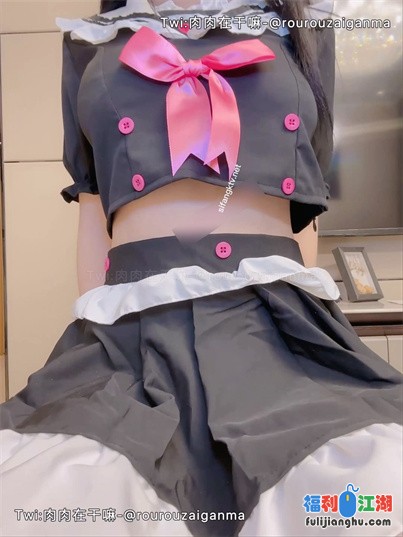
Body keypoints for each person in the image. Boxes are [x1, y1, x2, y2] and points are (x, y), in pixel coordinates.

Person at [1, 0, 402, 536]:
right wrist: (94, 337)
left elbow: (305, 210)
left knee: (362, 487)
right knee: (60, 492)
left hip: (278, 321)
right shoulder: (88, 42)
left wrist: (316, 333)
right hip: (132, 331)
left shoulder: (303, 32)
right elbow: (94, 212)